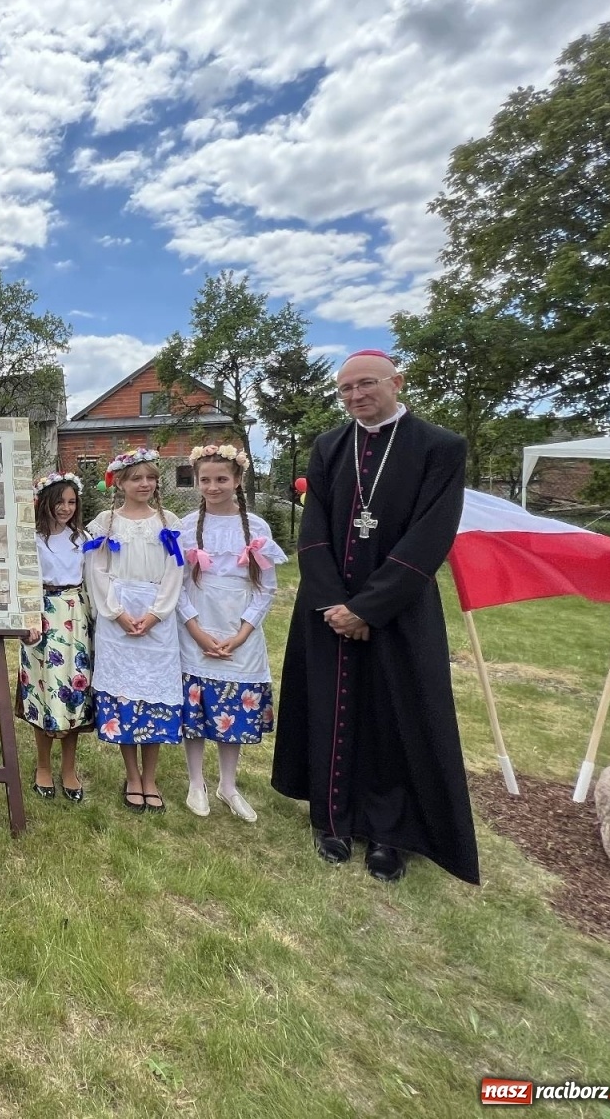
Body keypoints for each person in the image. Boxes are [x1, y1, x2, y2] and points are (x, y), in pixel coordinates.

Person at [272, 351, 476, 885]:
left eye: (366, 385)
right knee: (331, 709)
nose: (356, 396)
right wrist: (334, 603)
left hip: (399, 610)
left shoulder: (440, 447)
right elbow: (312, 530)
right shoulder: (329, 447)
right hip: (326, 608)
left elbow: (431, 534)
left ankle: (390, 833)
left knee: (393, 716)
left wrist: (368, 607)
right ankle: (332, 818)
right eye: (345, 390)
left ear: (396, 382)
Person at [176, 445, 286, 823]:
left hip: (239, 629)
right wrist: (195, 630)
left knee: (231, 708)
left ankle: (228, 783)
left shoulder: (256, 528)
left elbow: (266, 587)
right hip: (198, 627)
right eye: (205, 479)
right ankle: (195, 781)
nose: (212, 486)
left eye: (221, 479)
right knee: (198, 708)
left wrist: (241, 634)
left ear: (237, 480)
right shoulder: (187, 526)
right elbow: (175, 585)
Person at [84, 448, 185, 813]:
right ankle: (131, 773)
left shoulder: (168, 520)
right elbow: (96, 570)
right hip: (119, 616)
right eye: (136, 478)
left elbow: (176, 569)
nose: (144, 484)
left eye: (150, 477)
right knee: (126, 694)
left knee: (154, 695)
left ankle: (151, 776)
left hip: (158, 617)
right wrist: (116, 612)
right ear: (121, 482)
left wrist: (158, 613)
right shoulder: (106, 522)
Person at [20, 473, 93, 802]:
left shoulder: (82, 538)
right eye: (60, 501)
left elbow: (93, 578)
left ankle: (69, 767)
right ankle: (43, 765)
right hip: (43, 616)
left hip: (74, 613)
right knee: (44, 688)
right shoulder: (31, 539)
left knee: (74, 689)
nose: (65, 508)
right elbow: (23, 581)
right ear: (45, 501)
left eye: (71, 502)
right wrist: (28, 618)